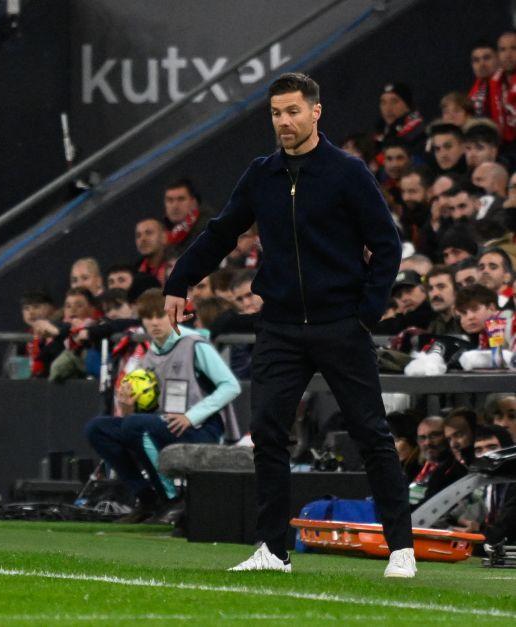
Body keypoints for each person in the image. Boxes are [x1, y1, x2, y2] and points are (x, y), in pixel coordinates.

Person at [163, 73, 415, 577]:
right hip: (278, 325)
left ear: (315, 111)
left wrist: (365, 313)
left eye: (293, 111)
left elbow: (386, 244)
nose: (284, 121)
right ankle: (272, 551)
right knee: (267, 434)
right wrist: (179, 281)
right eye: (277, 113)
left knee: (370, 432)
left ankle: (401, 549)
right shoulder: (262, 174)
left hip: (340, 323)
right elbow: (221, 233)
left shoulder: (347, 172)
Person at [84, 289, 240, 522]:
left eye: (161, 315)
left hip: (202, 428)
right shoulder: (151, 355)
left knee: (137, 425)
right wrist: (127, 407)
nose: (155, 323)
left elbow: (230, 386)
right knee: (97, 428)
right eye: (148, 317)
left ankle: (172, 499)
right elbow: (148, 408)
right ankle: (147, 498)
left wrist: (191, 416)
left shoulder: (194, 344)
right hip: (166, 423)